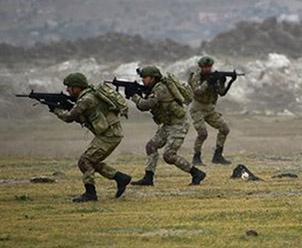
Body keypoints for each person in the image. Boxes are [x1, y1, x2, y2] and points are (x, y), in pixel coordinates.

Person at [53, 72, 132, 202]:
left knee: (84, 161)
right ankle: (120, 178)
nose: (67, 89)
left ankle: (90, 193)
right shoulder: (88, 95)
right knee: (92, 161)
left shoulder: (86, 99)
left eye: (69, 86)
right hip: (110, 133)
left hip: (109, 135)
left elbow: (69, 117)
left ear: (78, 87)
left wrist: (56, 109)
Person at [128, 65, 206, 186]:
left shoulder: (161, 89)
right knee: (151, 146)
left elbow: (146, 105)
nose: (143, 80)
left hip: (178, 125)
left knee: (169, 155)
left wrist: (134, 96)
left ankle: (196, 173)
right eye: (142, 77)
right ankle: (148, 178)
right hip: (168, 124)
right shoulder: (155, 88)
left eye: (145, 77)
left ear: (153, 78)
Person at [187, 56, 235, 165]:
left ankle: (218, 156)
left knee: (224, 129)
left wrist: (226, 82)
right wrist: (208, 82)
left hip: (210, 108)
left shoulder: (213, 76)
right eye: (205, 67)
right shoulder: (196, 77)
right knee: (202, 134)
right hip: (197, 108)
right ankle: (196, 157)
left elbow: (221, 93)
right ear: (201, 67)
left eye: (209, 67)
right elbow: (197, 92)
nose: (207, 69)